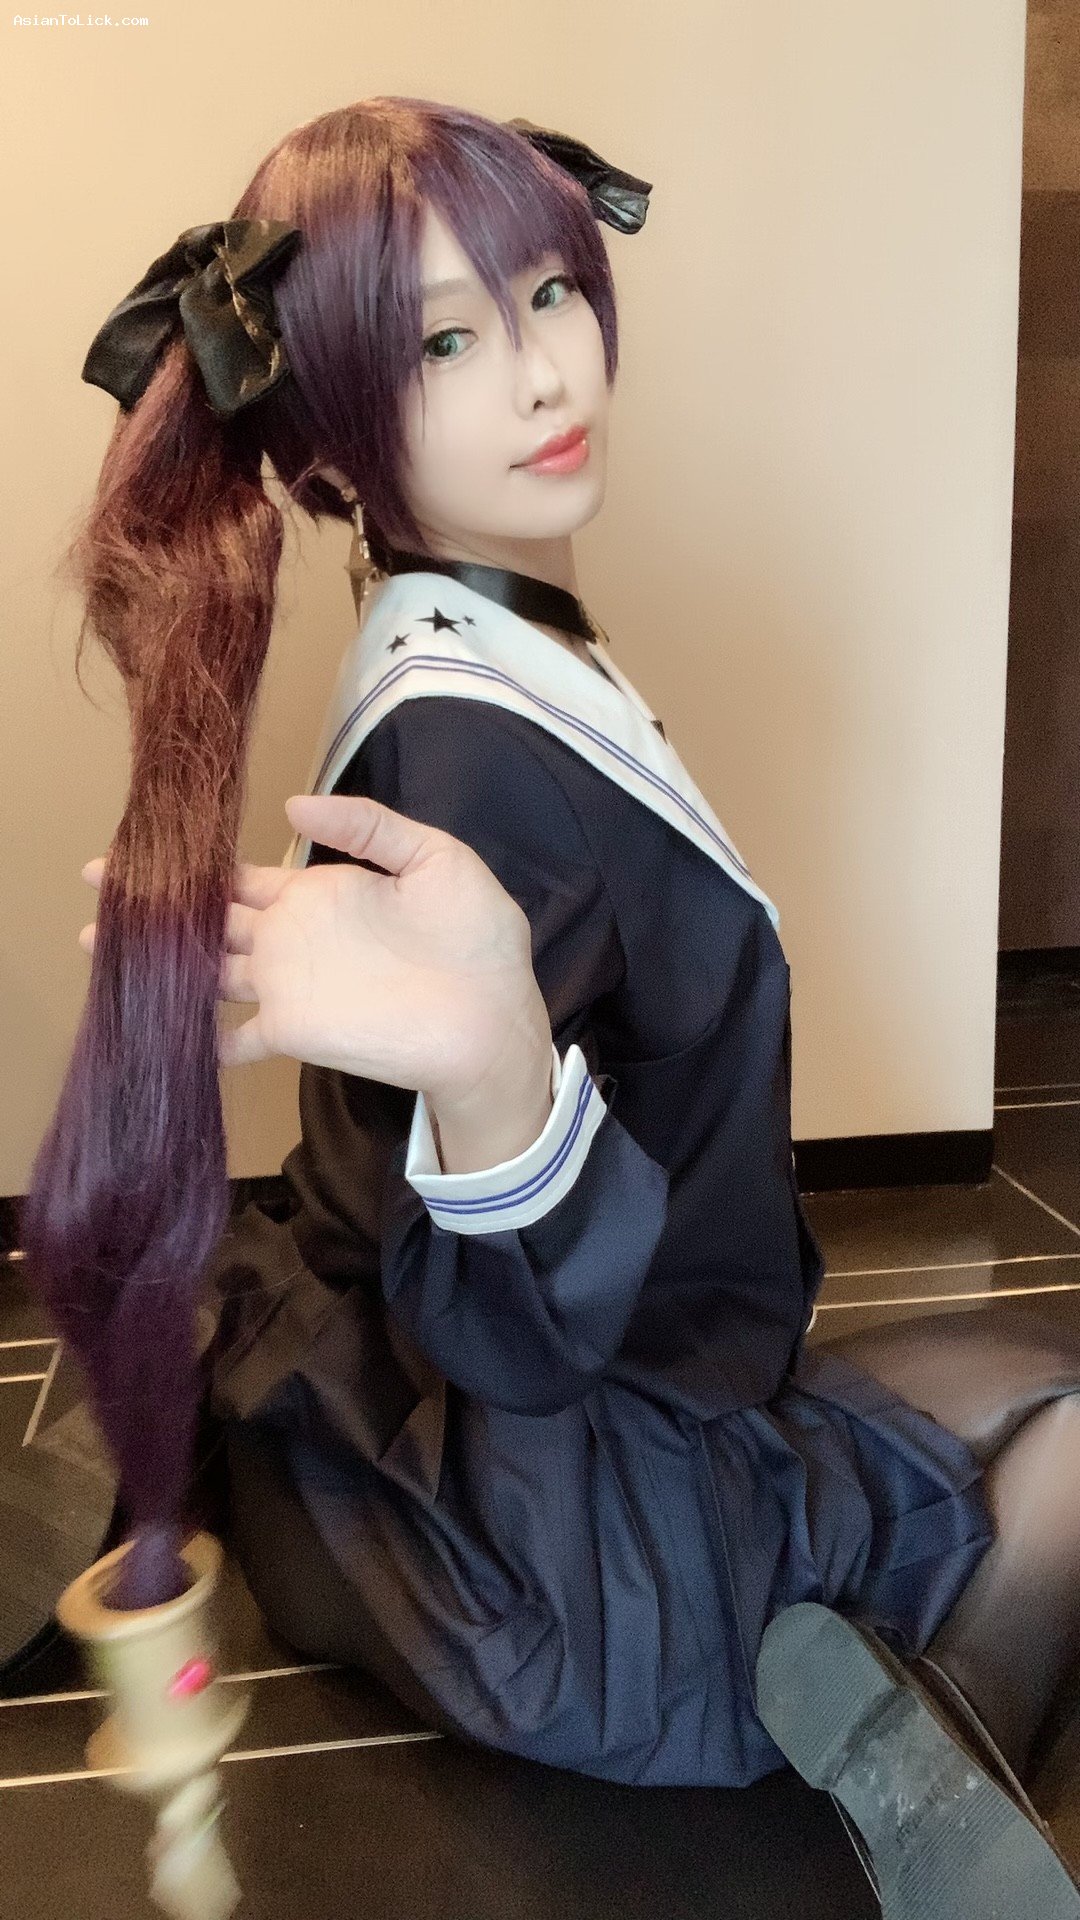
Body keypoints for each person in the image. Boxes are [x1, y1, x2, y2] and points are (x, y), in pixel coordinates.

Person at [69, 96, 1080, 1915]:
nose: (544, 373)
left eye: (547, 293)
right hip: (584, 1540)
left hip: (556, 1420)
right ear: (328, 435)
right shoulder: (472, 758)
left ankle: (885, 1743)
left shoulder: (473, 632)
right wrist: (491, 1062)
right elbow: (511, 1332)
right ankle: (878, 1810)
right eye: (445, 343)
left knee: (1026, 1395)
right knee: (1064, 1442)